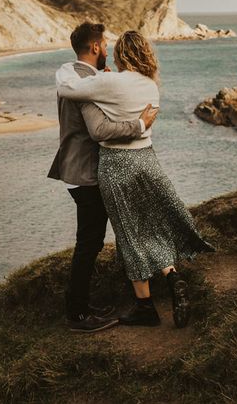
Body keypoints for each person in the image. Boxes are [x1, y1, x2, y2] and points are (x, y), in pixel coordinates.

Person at [57, 30, 215, 328]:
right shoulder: (151, 86)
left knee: (130, 234)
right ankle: (172, 276)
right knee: (150, 223)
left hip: (118, 165)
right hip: (147, 159)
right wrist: (141, 123)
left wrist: (67, 68)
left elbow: (71, 93)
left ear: (121, 54)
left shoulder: (108, 82)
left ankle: (145, 306)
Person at [49, 22, 159, 333]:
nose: (108, 50)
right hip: (84, 171)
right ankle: (78, 314)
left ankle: (83, 303)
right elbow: (100, 132)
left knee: (92, 241)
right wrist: (139, 125)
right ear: (95, 47)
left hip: (76, 168)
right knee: (89, 242)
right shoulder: (85, 81)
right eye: (105, 44)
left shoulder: (73, 74)